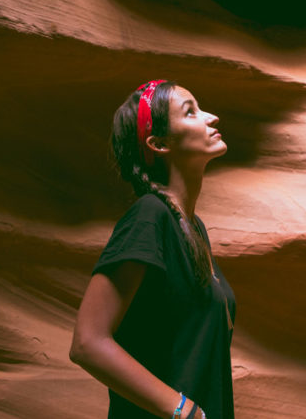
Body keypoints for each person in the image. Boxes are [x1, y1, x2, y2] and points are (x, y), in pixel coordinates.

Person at [70, 80, 236, 418]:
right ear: (158, 143)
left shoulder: (193, 228)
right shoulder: (150, 216)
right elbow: (88, 342)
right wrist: (182, 410)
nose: (211, 117)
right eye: (191, 112)